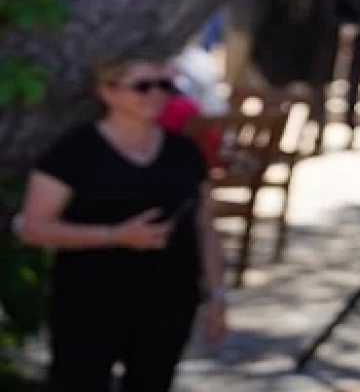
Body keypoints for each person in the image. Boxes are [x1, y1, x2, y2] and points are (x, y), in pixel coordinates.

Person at [16, 55, 228, 390]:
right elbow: (33, 227)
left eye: (165, 85)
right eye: (143, 86)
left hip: (169, 301)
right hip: (89, 302)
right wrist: (116, 235)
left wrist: (217, 295)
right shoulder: (73, 152)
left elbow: (204, 227)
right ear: (108, 92)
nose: (156, 94)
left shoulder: (185, 152)